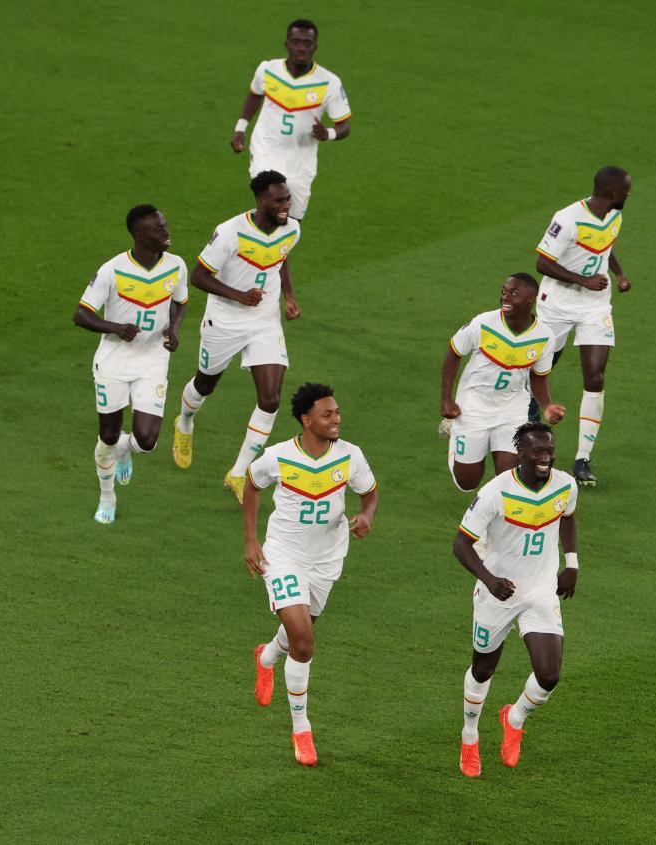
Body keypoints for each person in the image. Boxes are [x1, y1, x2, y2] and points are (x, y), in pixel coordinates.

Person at [244, 382, 379, 766]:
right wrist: (251, 541)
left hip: (327, 559)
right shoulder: (279, 457)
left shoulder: (350, 456)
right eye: (328, 414)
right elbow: (252, 486)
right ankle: (301, 729)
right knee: (304, 641)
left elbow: (369, 494)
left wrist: (367, 516)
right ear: (307, 420)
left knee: (299, 632)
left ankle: (267, 657)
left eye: (337, 412)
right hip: (285, 556)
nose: (336, 419)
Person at [452, 422, 580, 777]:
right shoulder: (496, 492)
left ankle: (515, 717)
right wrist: (490, 580)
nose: (546, 458)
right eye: (538, 452)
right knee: (483, 668)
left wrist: (572, 563)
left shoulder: (565, 485)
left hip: (540, 590)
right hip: (498, 592)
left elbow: (568, 517)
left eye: (550, 450)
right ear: (520, 454)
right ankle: (469, 736)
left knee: (550, 674)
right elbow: (460, 544)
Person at [171, 171, 302, 502]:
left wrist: (288, 296)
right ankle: (185, 422)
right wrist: (238, 295)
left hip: (264, 320)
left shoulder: (293, 229)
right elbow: (199, 275)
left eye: (287, 198)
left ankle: (239, 472)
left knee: (271, 398)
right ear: (261, 201)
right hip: (225, 321)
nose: (286, 204)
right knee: (205, 384)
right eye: (279, 200)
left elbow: (281, 256)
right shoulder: (231, 233)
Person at [74, 205, 188, 524]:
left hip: (152, 359)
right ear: (140, 235)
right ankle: (107, 497)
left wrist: (173, 329)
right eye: (159, 228)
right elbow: (81, 314)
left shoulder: (176, 266)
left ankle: (123, 451)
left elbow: (181, 303)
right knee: (108, 436)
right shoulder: (112, 270)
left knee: (147, 442)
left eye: (165, 225)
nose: (167, 232)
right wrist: (115, 327)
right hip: (113, 360)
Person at [530, 166, 633, 486]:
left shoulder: (614, 216)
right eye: (627, 190)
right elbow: (542, 262)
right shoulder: (568, 218)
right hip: (557, 303)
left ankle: (582, 459)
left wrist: (618, 273)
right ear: (614, 193)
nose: (630, 194)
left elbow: (605, 245)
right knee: (542, 365)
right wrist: (582, 279)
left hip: (595, 305)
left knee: (596, 375)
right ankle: (527, 415)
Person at [441, 273, 566, 492]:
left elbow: (538, 377)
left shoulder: (545, 337)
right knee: (467, 483)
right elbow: (454, 353)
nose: (505, 298)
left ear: (531, 299)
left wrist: (546, 405)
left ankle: (499, 516)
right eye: (504, 292)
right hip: (474, 406)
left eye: (513, 293)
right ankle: (455, 433)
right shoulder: (483, 324)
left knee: (509, 479)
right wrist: (446, 399)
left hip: (512, 409)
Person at [230, 19, 351, 220]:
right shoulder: (267, 70)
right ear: (286, 44)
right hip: (266, 150)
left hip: (300, 161)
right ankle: (253, 249)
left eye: (307, 43)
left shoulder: (328, 82)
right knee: (271, 209)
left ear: (315, 46)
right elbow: (255, 94)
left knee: (291, 222)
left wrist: (328, 133)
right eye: (296, 42)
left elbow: (344, 126)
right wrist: (240, 128)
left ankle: (273, 251)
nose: (301, 48)